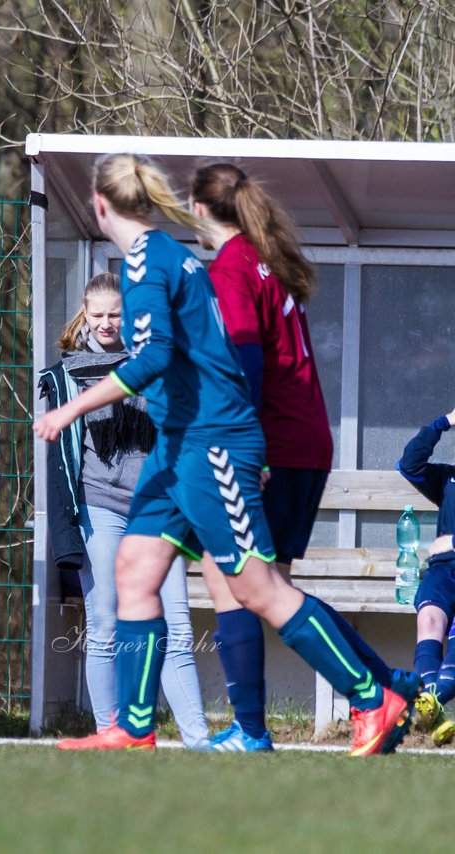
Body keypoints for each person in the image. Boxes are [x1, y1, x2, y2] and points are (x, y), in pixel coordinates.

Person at [33, 152, 416, 755]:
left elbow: (157, 357)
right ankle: (134, 728)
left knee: (257, 586)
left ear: (100, 205)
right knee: (134, 569)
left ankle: (373, 696)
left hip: (211, 443)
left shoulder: (153, 263)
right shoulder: (176, 260)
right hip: (177, 443)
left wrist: (69, 408)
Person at [189, 162, 397, 751]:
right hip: (302, 437)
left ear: (200, 210)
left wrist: (243, 445)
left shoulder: (232, 265)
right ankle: (379, 690)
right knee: (246, 576)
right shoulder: (264, 258)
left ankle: (369, 696)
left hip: (272, 441)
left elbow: (247, 364)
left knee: (247, 581)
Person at [39, 272, 210, 750]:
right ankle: (113, 730)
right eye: (98, 315)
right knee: (106, 620)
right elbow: (59, 463)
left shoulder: (157, 362)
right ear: (85, 315)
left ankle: (199, 739)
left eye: (116, 313)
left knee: (176, 621)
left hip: (156, 506)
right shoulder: (66, 375)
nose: (107, 322)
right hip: (99, 507)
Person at [396, 406, 455, 746]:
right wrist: (442, 423)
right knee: (429, 620)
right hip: (443, 571)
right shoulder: (448, 477)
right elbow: (410, 464)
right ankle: (435, 705)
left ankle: (432, 700)